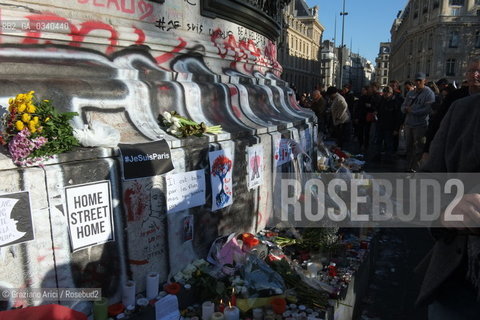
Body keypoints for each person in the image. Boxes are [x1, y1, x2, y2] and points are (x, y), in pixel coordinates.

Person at [416, 57, 480, 319]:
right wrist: (446, 212)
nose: (476, 75)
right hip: (459, 277)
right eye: (473, 70)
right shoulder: (462, 111)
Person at [401, 72, 435, 172]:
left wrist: (413, 111)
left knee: (419, 148)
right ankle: (409, 166)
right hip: (409, 124)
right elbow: (403, 105)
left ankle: (416, 168)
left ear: (425, 81)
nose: (418, 82)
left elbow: (428, 109)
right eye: (416, 80)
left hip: (420, 125)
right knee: (408, 147)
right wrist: (404, 109)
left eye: (420, 80)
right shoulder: (410, 93)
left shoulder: (429, 93)